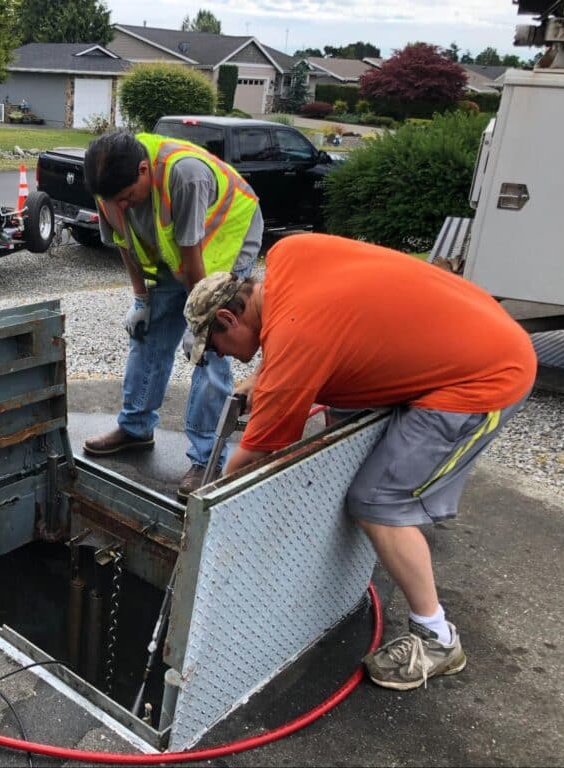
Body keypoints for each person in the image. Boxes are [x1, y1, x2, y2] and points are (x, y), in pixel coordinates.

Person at [182, 233, 536, 690]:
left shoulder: (295, 343)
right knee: (342, 415)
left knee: (378, 501)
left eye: (215, 346)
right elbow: (325, 320)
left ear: (228, 318)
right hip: (479, 328)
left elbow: (253, 458)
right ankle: (372, 556)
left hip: (484, 377)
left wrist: (204, 517)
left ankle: (436, 638)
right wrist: (266, 376)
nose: (221, 356)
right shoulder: (290, 255)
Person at [80, 130, 264, 500]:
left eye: (127, 197)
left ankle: (206, 458)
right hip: (176, 256)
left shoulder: (185, 175)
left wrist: (201, 323)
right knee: (148, 333)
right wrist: (140, 300)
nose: (122, 206)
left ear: (144, 170)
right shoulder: (108, 185)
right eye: (115, 201)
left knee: (211, 350)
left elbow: (191, 252)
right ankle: (135, 427)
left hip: (224, 244)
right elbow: (124, 243)